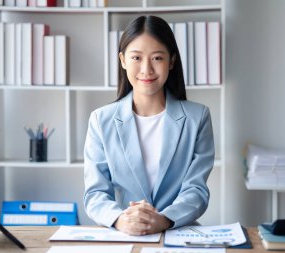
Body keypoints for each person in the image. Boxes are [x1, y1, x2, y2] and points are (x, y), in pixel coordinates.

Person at [83, 15, 215, 236]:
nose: (146, 69)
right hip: (124, 235)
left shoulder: (198, 117)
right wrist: (120, 220)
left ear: (171, 61)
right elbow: (95, 193)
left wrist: (163, 220)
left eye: (157, 58)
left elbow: (197, 191)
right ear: (123, 60)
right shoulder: (100, 120)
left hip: (178, 234)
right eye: (136, 58)